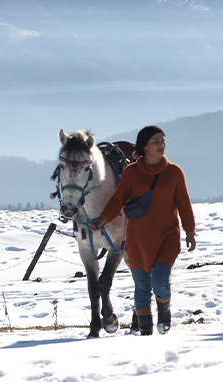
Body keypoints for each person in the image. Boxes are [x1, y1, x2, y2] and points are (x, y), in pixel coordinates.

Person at [91, 125, 196, 335]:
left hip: (167, 236)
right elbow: (117, 200)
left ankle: (164, 315)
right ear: (144, 146)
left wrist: (190, 231)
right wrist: (103, 218)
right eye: (156, 141)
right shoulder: (131, 173)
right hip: (138, 238)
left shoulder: (174, 172)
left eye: (163, 141)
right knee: (141, 286)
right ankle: (145, 331)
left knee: (159, 280)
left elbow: (184, 203)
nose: (161, 145)